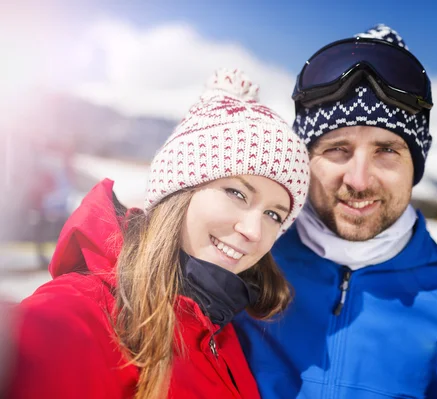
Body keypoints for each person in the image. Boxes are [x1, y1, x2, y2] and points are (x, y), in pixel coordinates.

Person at [234, 24, 437, 399]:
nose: (358, 179)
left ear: (414, 166)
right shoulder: (243, 264)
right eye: (337, 148)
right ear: (305, 159)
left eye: (386, 150)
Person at [5, 68, 310, 399]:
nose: (253, 231)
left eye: (273, 214)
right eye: (236, 193)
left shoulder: (223, 333)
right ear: (179, 191)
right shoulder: (73, 316)